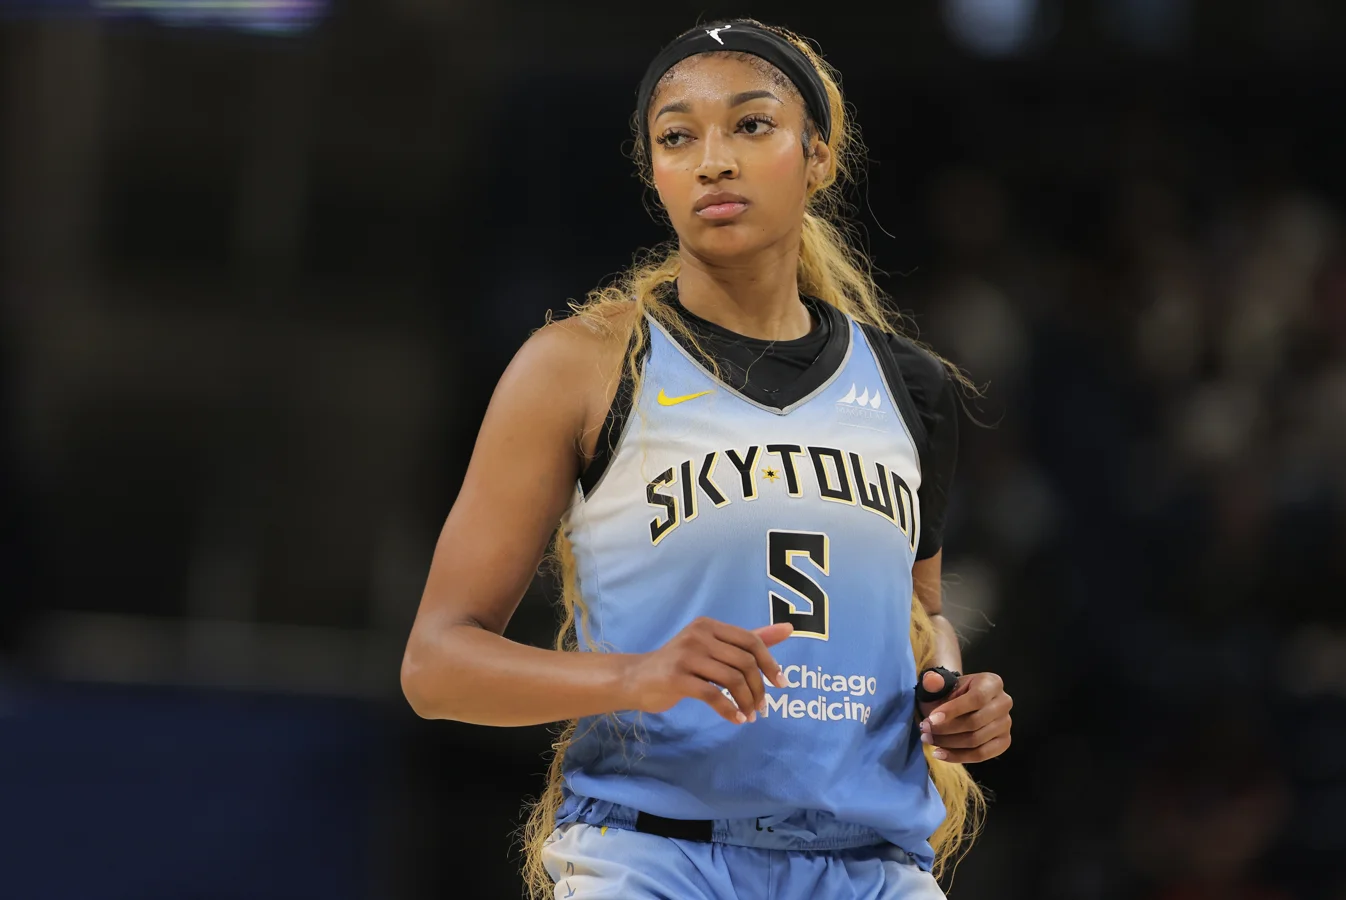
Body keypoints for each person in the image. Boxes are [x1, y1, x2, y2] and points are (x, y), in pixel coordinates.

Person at [401, 18, 1013, 900]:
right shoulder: (581, 367)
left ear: (818, 155)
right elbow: (435, 666)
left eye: (751, 126)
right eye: (678, 137)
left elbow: (923, 620)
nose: (713, 161)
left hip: (870, 867)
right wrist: (635, 676)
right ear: (654, 172)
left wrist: (954, 698)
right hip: (653, 859)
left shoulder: (911, 387)